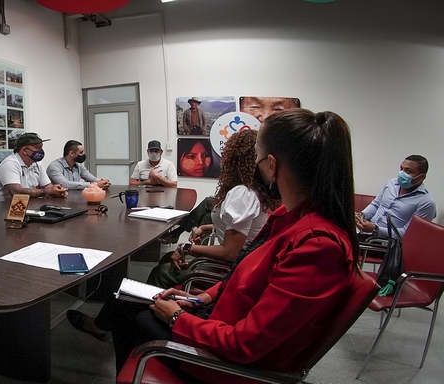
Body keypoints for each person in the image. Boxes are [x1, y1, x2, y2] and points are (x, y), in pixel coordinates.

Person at [70, 108, 360, 381]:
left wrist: (178, 318)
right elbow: (244, 275)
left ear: (271, 165)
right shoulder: (291, 218)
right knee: (125, 299)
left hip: (225, 364)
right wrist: (200, 299)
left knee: (131, 315)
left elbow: (245, 344)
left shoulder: (318, 245)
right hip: (219, 319)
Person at [147, 129, 281, 288]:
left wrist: (187, 248)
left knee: (161, 272)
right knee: (167, 258)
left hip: (233, 270)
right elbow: (243, 229)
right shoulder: (254, 190)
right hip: (242, 262)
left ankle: (149, 311)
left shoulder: (242, 194)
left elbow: (230, 252)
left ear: (234, 159)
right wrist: (205, 227)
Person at [355, 155, 436, 238]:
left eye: (408, 171)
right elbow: (376, 204)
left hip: (387, 243)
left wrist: (375, 229)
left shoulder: (427, 203)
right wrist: (362, 215)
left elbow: (409, 234)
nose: (402, 173)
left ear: (422, 177)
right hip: (366, 231)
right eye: (401, 169)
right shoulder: (391, 183)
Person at [0, 132, 68, 204]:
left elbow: (48, 186)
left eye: (41, 148)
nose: (41, 151)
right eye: (38, 148)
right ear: (25, 150)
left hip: (22, 206)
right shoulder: (10, 164)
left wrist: (58, 191)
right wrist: (48, 192)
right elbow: (16, 192)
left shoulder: (37, 164)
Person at [47, 140, 111, 190]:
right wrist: (94, 184)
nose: (83, 154)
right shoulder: (54, 166)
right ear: (71, 153)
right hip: (57, 201)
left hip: (73, 198)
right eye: (81, 152)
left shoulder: (78, 165)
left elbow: (91, 178)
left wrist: (103, 182)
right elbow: (64, 184)